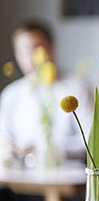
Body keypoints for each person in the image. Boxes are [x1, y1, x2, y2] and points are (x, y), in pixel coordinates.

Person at [0, 19, 91, 167]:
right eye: (23, 51)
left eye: (36, 48)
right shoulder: (11, 94)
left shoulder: (76, 87)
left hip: (66, 176)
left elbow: (92, 141)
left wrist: (42, 148)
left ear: (51, 48)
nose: (30, 56)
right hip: (19, 178)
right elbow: (3, 140)